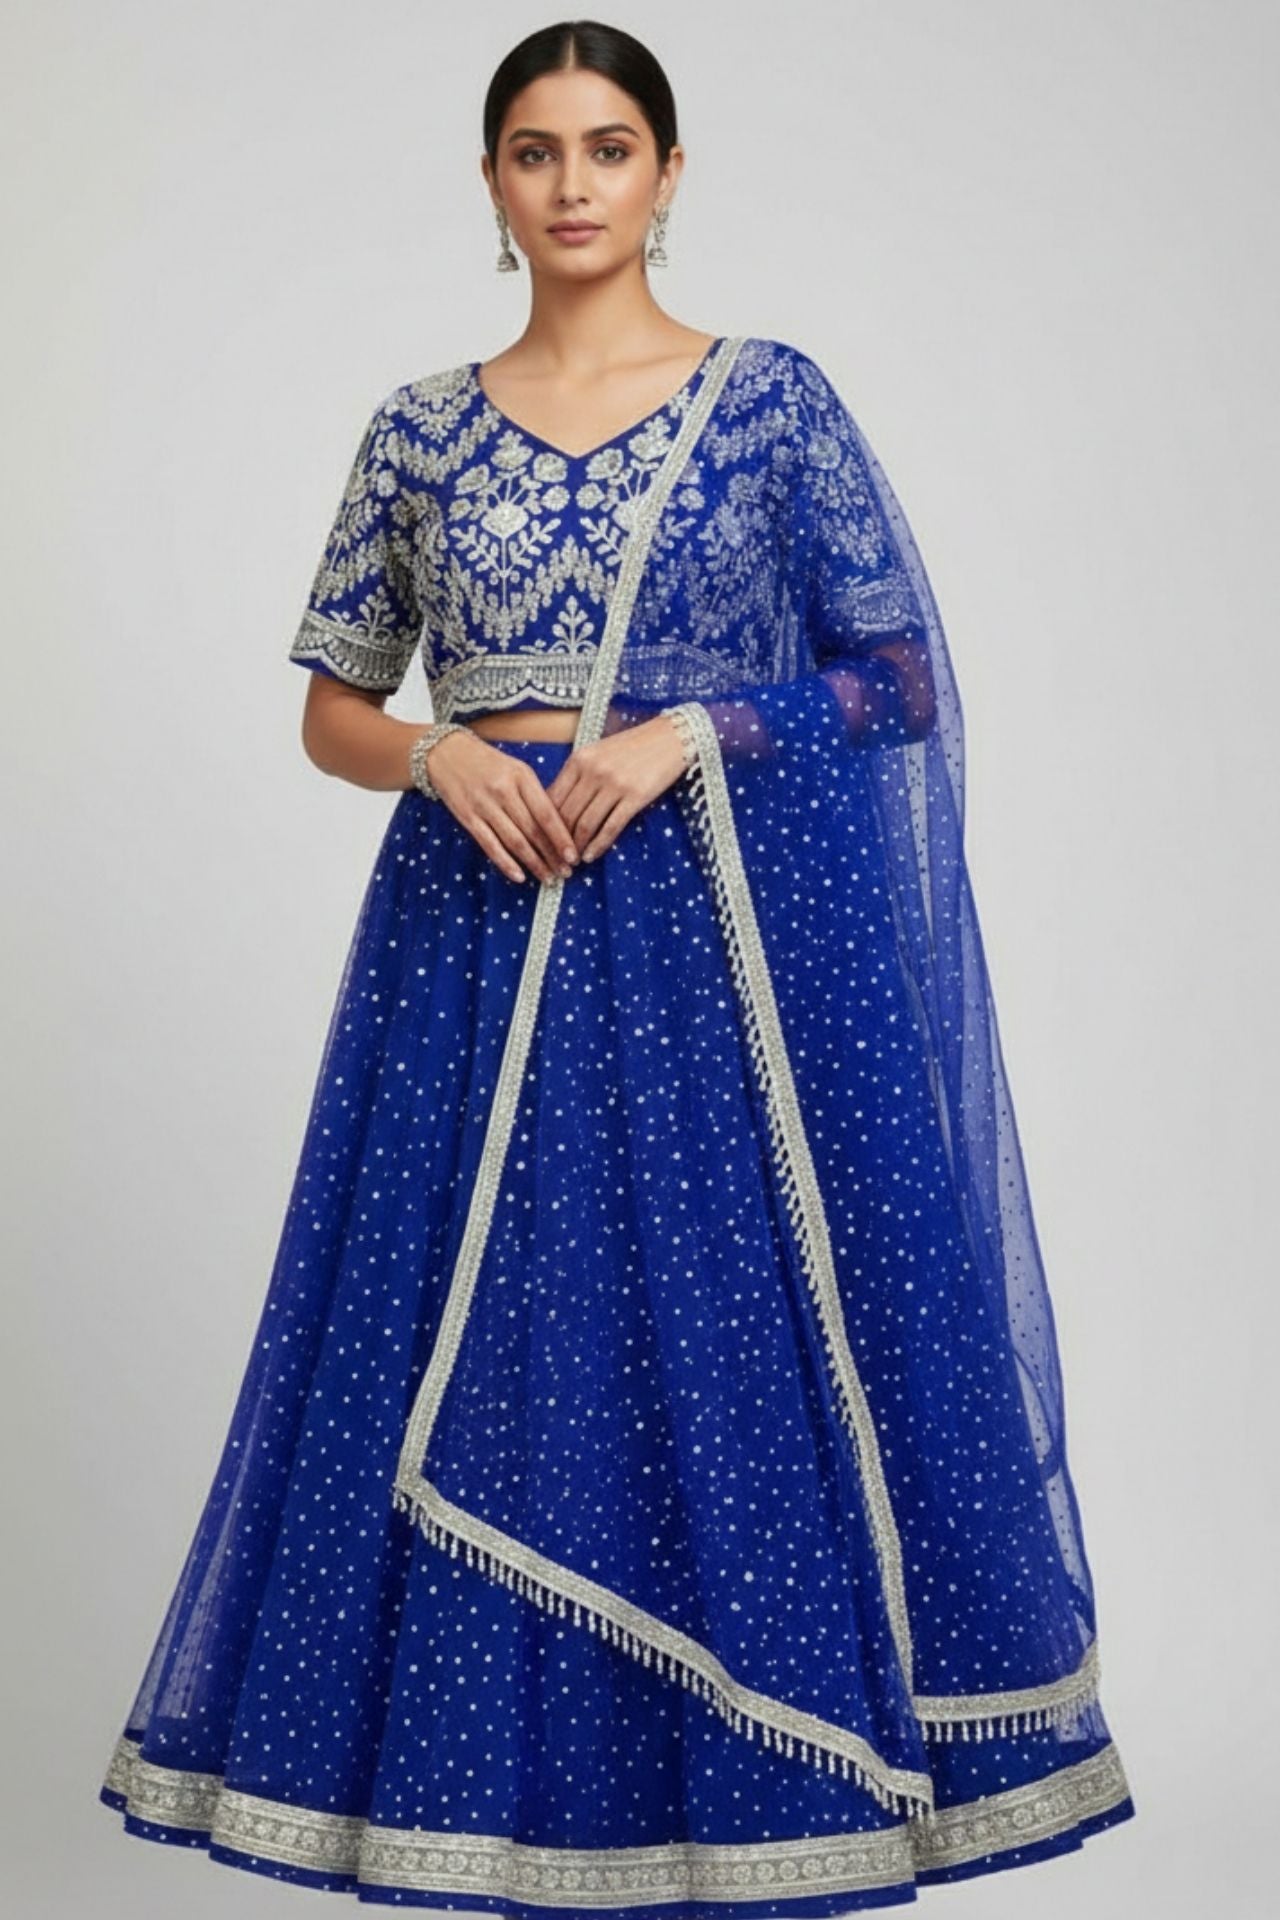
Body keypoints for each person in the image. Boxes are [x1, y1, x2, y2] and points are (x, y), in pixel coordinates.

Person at [98, 18, 1136, 1914]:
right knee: (490, 1355)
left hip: (723, 963)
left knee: (707, 1353)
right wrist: (439, 752)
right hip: (479, 947)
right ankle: (511, 1814)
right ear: (491, 184)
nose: (571, 185)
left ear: (668, 173)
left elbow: (899, 678)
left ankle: (747, 1808)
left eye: (607, 147)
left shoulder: (768, 403)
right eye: (534, 150)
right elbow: (333, 710)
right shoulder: (418, 429)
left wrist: (693, 734)